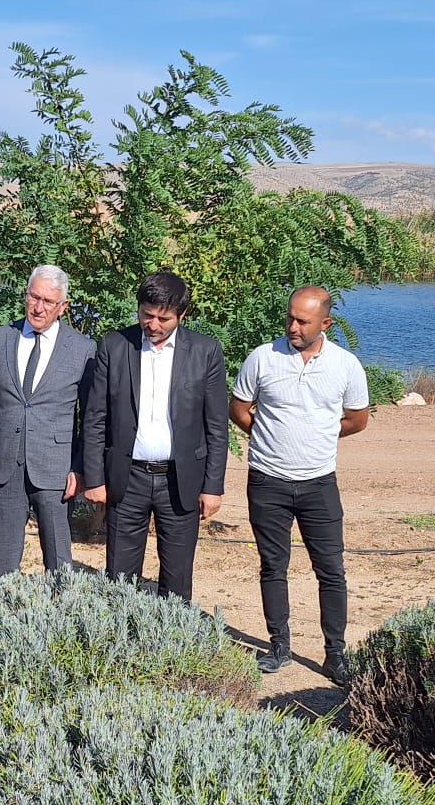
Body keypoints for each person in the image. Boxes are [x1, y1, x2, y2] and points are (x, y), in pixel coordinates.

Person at [229, 286, 371, 679]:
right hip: (267, 481)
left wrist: (318, 436)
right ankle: (278, 646)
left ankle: (335, 654)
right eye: (290, 317)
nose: (292, 326)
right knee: (273, 566)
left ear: (325, 323)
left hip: (318, 485)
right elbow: (239, 409)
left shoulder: (346, 365)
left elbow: (357, 420)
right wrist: (270, 437)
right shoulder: (262, 357)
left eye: (302, 321)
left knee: (331, 569)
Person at [81, 271, 229, 602]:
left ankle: (172, 644)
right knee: (120, 576)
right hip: (127, 477)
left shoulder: (206, 352)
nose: (153, 324)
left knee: (177, 579)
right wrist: (94, 478)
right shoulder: (115, 346)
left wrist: (212, 486)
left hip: (181, 480)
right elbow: (94, 417)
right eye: (147, 314)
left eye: (163, 318)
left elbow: (216, 425)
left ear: (182, 314)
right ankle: (122, 640)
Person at [0, 265, 93, 574]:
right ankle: (1, 615)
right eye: (33, 297)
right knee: (3, 562)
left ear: (63, 307)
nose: (38, 307)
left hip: (55, 469)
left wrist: (80, 469)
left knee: (59, 563)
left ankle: (62, 617)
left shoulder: (83, 349)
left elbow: (90, 418)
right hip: (3, 466)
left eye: (48, 301)